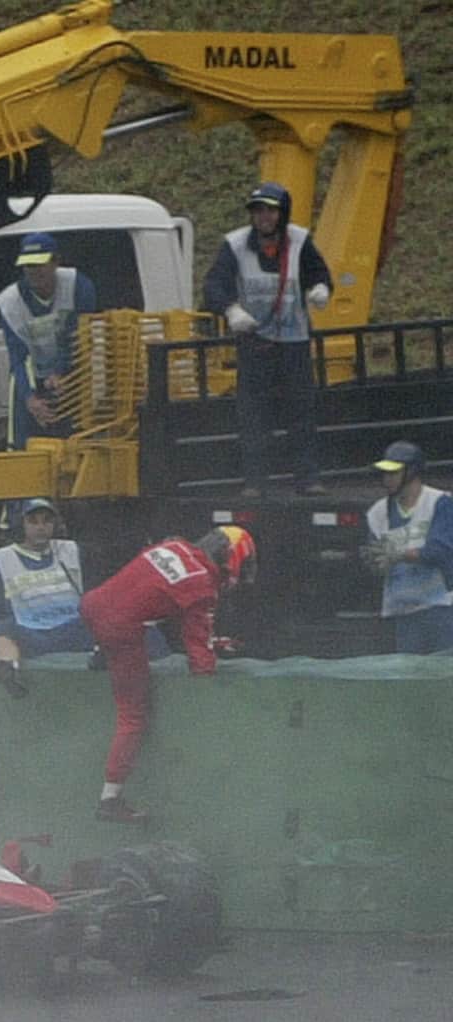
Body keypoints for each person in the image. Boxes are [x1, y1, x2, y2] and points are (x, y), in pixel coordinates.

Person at [77, 526, 255, 824]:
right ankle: (110, 799)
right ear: (233, 559)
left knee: (127, 623)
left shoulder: (172, 546)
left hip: (92, 606)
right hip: (120, 631)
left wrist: (214, 641)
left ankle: (100, 652)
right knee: (133, 717)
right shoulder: (202, 586)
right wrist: (207, 682)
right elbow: (199, 655)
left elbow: (141, 592)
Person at [202, 181, 335, 498]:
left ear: (282, 213)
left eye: (270, 211)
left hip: (294, 343)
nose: (264, 217)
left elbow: (320, 273)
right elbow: (213, 285)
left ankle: (307, 478)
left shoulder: (300, 241)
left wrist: (321, 289)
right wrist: (231, 309)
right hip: (255, 343)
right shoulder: (235, 245)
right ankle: (255, 482)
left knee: (301, 411)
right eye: (258, 211)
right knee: (253, 414)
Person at [0, 497, 90, 698]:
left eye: (47, 521)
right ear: (20, 524)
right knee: (1, 630)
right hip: (31, 633)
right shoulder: (0, 559)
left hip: (74, 628)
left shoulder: (70, 550)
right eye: (33, 521)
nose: (41, 527)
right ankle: (8, 671)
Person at [0, 232, 96, 449]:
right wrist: (30, 398)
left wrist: (60, 372)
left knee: (76, 435)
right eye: (29, 265)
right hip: (34, 370)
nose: (34, 271)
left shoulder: (78, 285)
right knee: (26, 428)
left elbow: (78, 335)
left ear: (55, 262)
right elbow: (18, 356)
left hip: (73, 371)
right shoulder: (9, 303)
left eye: (40, 264)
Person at [363, 440, 453, 654]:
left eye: (393, 473)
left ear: (412, 472)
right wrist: (375, 562)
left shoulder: (439, 502)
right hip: (403, 610)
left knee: (443, 670)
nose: (387, 479)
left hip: (441, 606)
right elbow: (375, 565)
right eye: (385, 473)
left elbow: (440, 551)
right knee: (409, 672)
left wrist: (398, 555)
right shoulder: (377, 512)